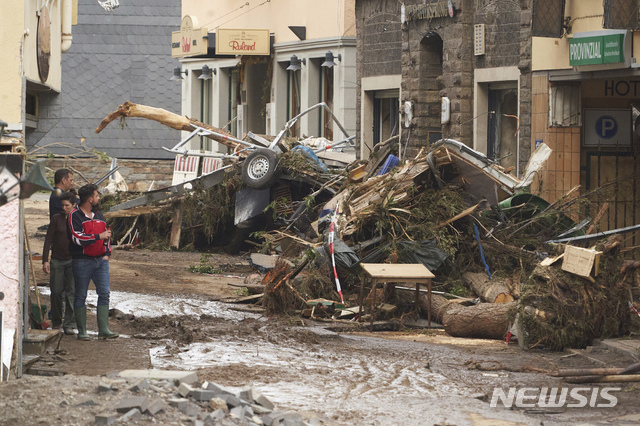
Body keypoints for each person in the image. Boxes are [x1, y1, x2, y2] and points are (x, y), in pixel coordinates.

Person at [68, 184, 119, 341]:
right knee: (81, 294)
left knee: (104, 293)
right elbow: (77, 238)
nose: (98, 198)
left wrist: (107, 252)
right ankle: (82, 331)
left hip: (101, 261)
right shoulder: (74, 216)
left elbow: (107, 234)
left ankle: (103, 329)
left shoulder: (98, 214)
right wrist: (98, 237)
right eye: (97, 196)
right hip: (82, 261)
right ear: (90, 199)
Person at [42, 191, 77, 335]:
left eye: (66, 205)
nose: (63, 208)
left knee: (71, 293)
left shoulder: (78, 219)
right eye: (62, 205)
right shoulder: (56, 219)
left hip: (73, 261)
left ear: (74, 205)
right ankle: (56, 322)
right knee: (56, 292)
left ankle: (69, 324)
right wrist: (45, 260)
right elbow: (48, 239)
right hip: (57, 260)